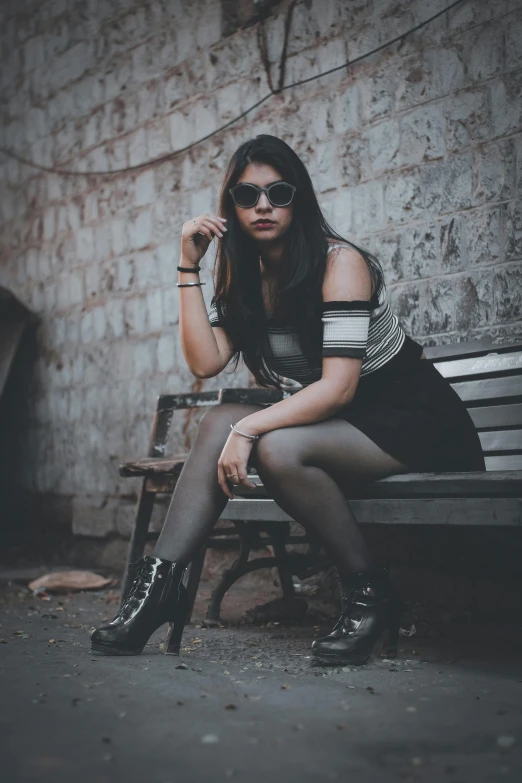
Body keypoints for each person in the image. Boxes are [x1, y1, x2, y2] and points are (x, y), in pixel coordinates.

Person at [91, 134, 485, 664]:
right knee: (218, 421)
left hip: (411, 421)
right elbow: (204, 362)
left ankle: (370, 595)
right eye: (247, 195)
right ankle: (161, 588)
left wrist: (250, 430)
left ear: (298, 199)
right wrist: (188, 268)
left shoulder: (339, 263)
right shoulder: (247, 280)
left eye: (278, 192)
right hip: (340, 424)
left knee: (273, 446)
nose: (263, 206)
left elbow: (339, 386)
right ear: (230, 205)